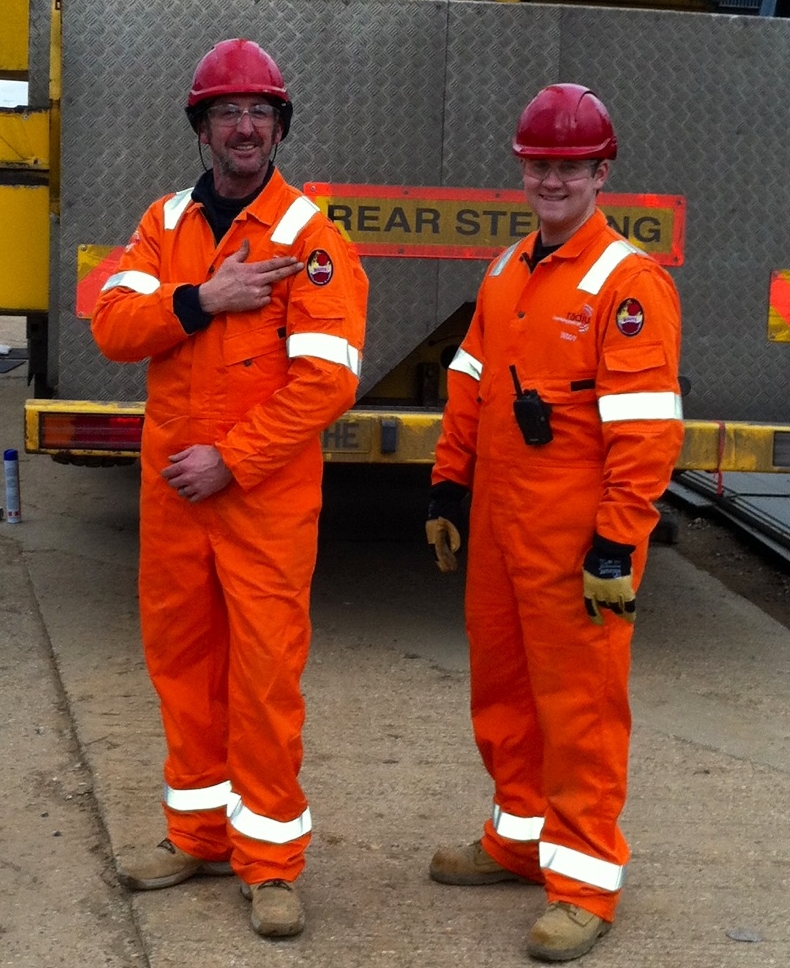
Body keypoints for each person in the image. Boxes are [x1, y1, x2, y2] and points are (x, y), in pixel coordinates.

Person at [91, 38, 368, 938]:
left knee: (263, 678)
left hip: (258, 499)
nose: (243, 127)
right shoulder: (164, 222)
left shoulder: (310, 238)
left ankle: (271, 864)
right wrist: (202, 299)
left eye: (258, 112)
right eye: (226, 113)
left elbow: (327, 381)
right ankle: (198, 835)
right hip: (177, 496)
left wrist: (233, 460)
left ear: (279, 127)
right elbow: (113, 328)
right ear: (201, 128)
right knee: (182, 667)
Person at [425, 83, 683, 961]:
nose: (553, 180)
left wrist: (616, 542)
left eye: (571, 166)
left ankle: (584, 886)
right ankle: (518, 839)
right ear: (523, 169)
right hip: (502, 527)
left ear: (602, 173)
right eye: (539, 164)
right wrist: (448, 486)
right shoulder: (508, 271)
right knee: (502, 695)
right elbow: (471, 379)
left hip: (578, 539)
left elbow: (645, 430)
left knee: (581, 713)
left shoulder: (627, 283)